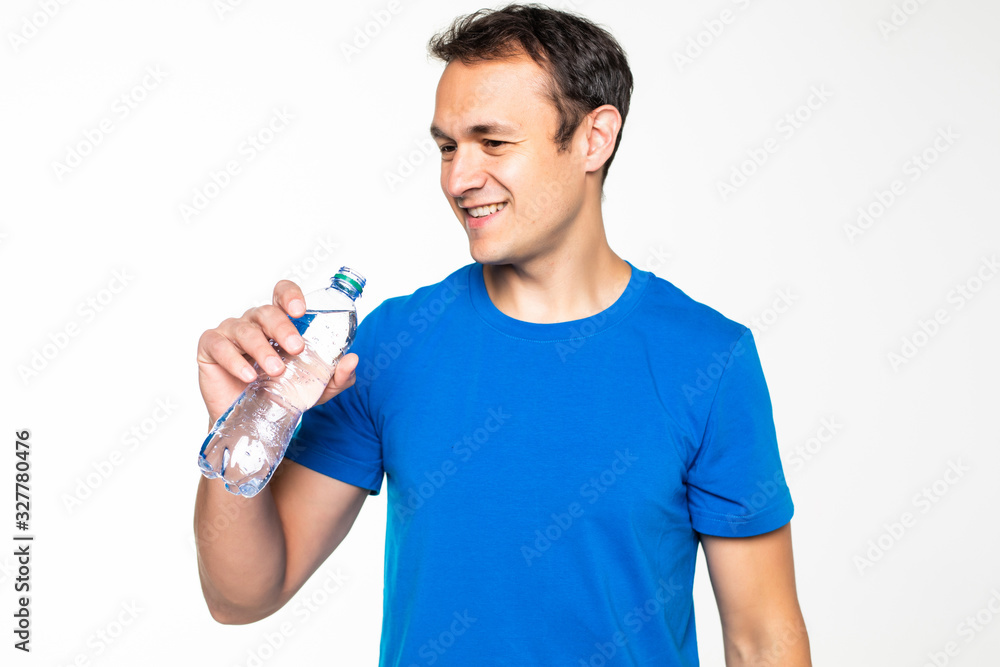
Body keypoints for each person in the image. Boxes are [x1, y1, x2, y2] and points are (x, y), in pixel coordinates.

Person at [194, 4, 811, 665]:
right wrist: (236, 421)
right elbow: (242, 595)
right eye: (447, 146)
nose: (459, 178)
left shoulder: (708, 360)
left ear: (594, 139)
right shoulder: (393, 344)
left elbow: (760, 638)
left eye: (493, 142)